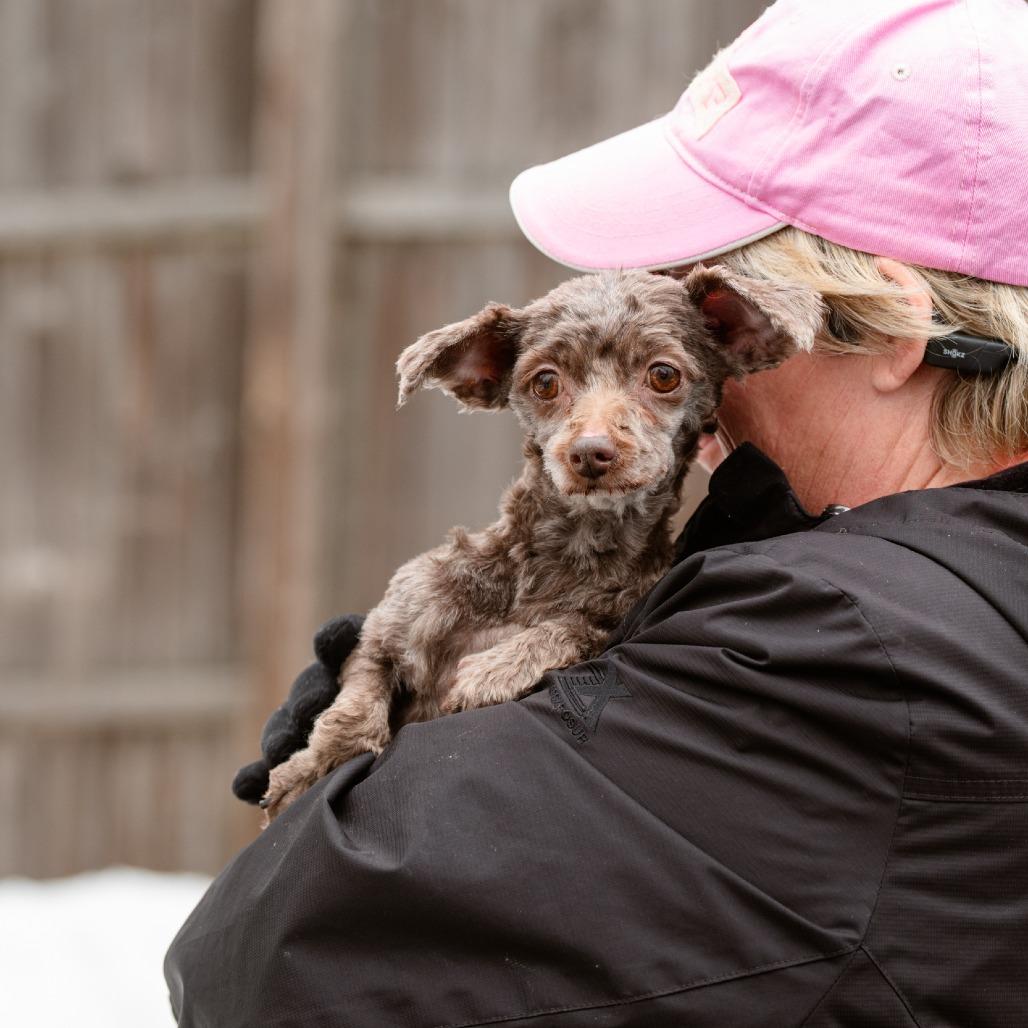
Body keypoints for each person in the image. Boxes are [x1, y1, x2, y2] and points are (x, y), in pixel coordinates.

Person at [165, 1, 1028, 1024]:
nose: (700, 389)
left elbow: (276, 953)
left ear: (891, 329)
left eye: (705, 315)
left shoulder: (850, 651)